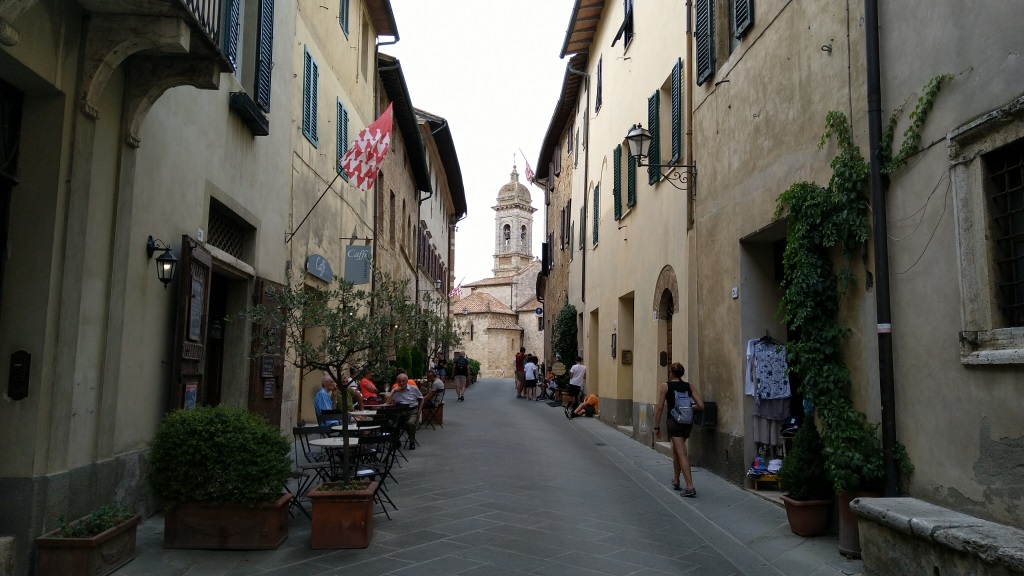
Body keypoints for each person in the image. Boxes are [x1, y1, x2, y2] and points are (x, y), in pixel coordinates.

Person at [654, 362, 704, 497]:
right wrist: (688, 408)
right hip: (687, 422)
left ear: (671, 373)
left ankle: (690, 486)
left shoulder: (665, 386)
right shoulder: (689, 386)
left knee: (681, 452)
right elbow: (701, 405)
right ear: (682, 373)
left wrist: (657, 426)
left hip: (674, 421)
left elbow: (659, 408)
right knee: (677, 451)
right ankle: (676, 480)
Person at [385, 373, 424, 449]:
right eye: (399, 381)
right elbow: (387, 403)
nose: (401, 383)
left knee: (410, 423)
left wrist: (419, 411)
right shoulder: (395, 390)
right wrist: (393, 392)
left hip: (411, 410)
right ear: (397, 382)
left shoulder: (413, 388)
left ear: (407, 381)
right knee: (390, 422)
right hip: (399, 411)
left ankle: (412, 441)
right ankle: (396, 440)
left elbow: (421, 399)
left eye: (403, 381)